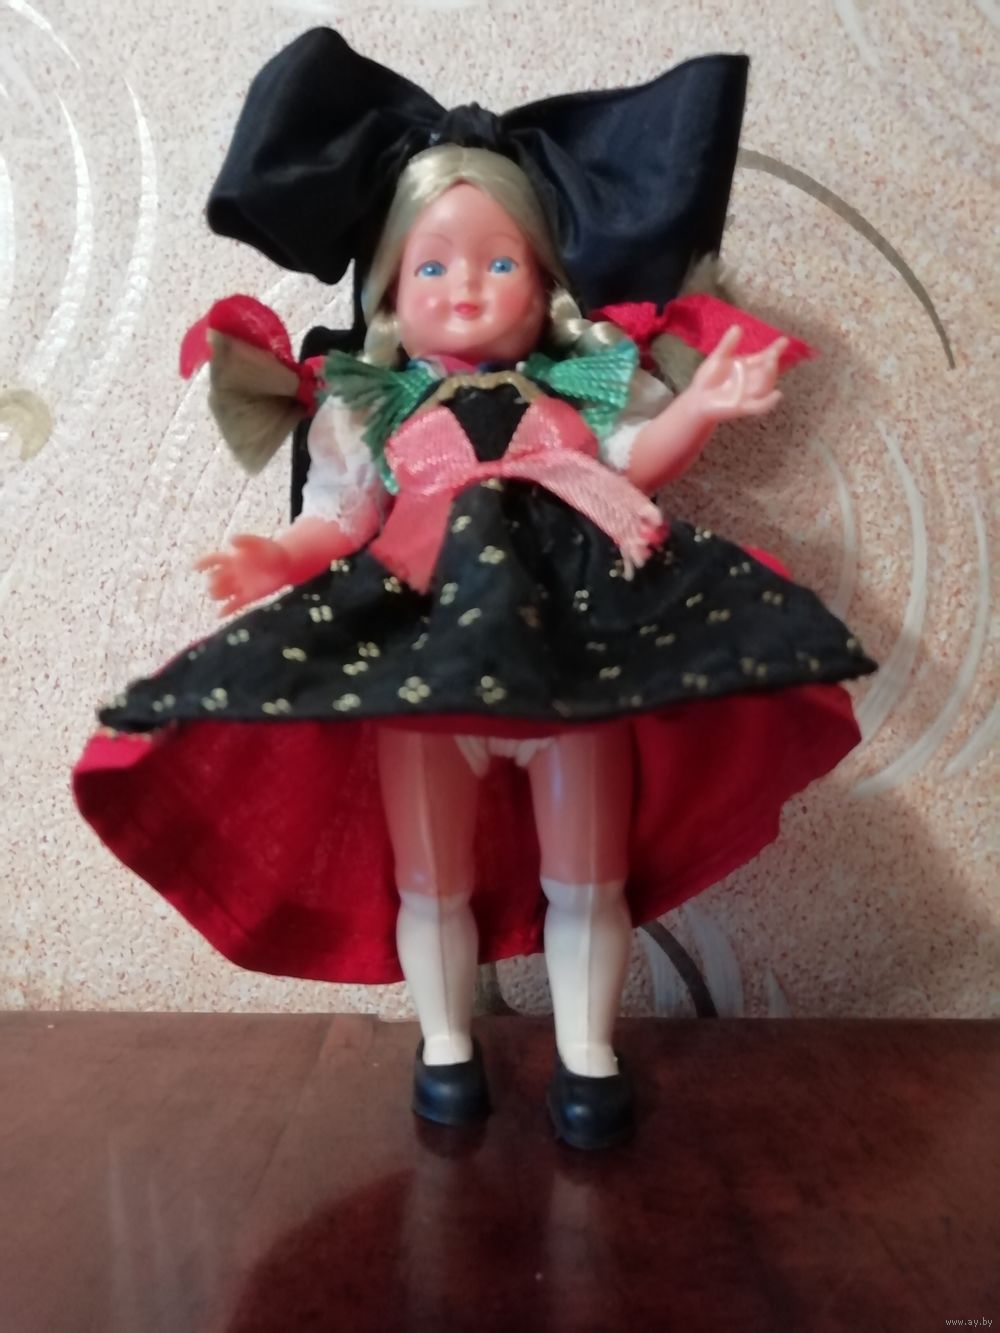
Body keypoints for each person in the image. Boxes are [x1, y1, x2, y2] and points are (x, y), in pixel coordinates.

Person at [73, 31, 876, 1150]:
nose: (464, 289)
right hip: (425, 661)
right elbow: (344, 515)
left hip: (574, 656)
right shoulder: (370, 403)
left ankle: (589, 1061)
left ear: (545, 281)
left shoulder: (582, 387)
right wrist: (279, 558)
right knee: (431, 880)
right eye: (433, 267)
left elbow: (631, 471)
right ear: (389, 287)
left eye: (499, 264)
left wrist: (698, 407)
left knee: (588, 878)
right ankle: (447, 1049)